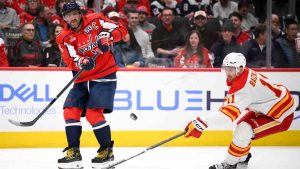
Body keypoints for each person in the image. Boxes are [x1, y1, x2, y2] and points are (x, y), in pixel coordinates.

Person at [184, 52, 296, 169]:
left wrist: (200, 123)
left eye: (231, 69)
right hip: (270, 105)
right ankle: (242, 158)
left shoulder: (242, 86)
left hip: (281, 115)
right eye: (226, 68)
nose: (228, 73)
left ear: (241, 68)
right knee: (240, 128)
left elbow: (226, 115)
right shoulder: (243, 73)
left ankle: (230, 164)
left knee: (243, 130)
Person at [55, 2, 127, 169]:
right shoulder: (63, 37)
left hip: (104, 74)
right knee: (70, 111)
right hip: (81, 78)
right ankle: (73, 152)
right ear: (64, 18)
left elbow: (122, 31)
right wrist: (81, 61)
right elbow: (70, 59)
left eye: (74, 13)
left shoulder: (95, 20)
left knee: (93, 114)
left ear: (80, 13)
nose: (72, 18)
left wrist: (108, 37)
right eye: (67, 15)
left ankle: (106, 151)